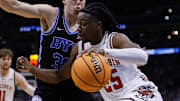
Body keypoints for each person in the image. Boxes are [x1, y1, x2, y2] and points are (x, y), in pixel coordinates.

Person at [16, 2, 162, 101]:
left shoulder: (114, 39)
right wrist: (31, 68)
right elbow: (58, 75)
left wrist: (106, 53)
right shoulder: (79, 49)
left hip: (141, 92)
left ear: (98, 25)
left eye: (83, 24)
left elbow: (143, 57)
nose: (78, 28)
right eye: (78, 24)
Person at [0, 0, 98, 101]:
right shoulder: (51, 15)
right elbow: (14, 6)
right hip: (46, 89)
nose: (78, 2)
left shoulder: (89, 29)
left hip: (75, 90)